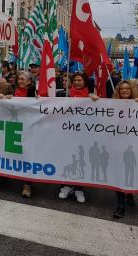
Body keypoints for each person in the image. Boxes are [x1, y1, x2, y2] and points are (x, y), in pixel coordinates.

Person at [58, 72, 96, 203]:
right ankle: (66, 186)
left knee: (80, 161)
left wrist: (96, 100)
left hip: (83, 135)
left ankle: (79, 188)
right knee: (66, 159)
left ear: (85, 82)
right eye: (75, 80)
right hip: (66, 133)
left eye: (80, 80)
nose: (77, 82)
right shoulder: (64, 94)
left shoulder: (91, 97)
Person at [0, 71, 36, 198]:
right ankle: (5, 175)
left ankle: (27, 185)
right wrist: (3, 98)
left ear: (29, 82)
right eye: (19, 79)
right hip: (13, 126)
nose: (20, 81)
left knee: (27, 155)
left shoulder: (34, 94)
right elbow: (2, 103)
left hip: (28, 128)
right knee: (9, 151)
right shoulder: (12, 91)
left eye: (23, 79)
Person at [111, 80, 138, 219]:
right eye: (122, 88)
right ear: (118, 91)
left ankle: (129, 193)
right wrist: (94, 99)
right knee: (119, 172)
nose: (124, 90)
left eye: (127, 88)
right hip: (117, 145)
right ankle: (120, 205)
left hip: (133, 146)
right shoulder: (110, 104)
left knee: (129, 170)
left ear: (132, 90)